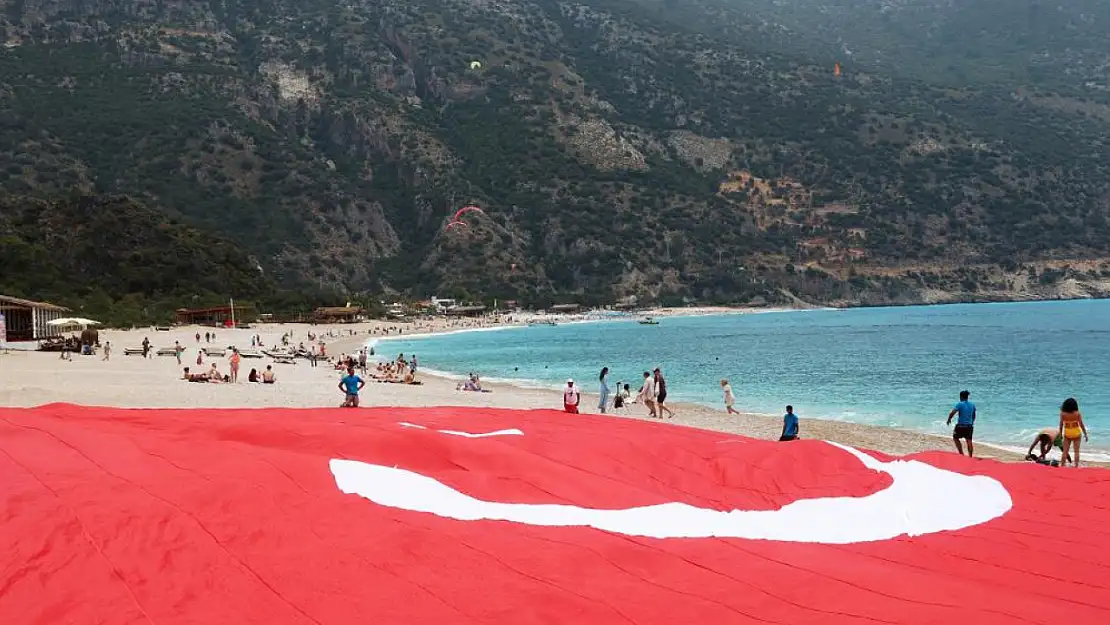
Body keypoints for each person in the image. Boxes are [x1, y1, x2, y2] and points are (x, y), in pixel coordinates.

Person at [1059, 397, 1089, 467]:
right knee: (1076, 451)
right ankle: (1076, 466)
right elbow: (1081, 424)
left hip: (1067, 433)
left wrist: (1060, 434)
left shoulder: (1063, 414)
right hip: (1076, 433)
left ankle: (1062, 465)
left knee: (1065, 452)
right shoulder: (1077, 413)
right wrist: (1085, 434)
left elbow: (1061, 424)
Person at [946, 390, 976, 457]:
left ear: (961, 397)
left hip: (960, 426)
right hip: (969, 426)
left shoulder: (960, 404)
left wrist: (949, 419)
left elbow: (952, 412)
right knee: (969, 441)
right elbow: (974, 415)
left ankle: (961, 453)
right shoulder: (972, 405)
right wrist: (972, 422)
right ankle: (970, 456)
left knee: (955, 438)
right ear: (967, 397)